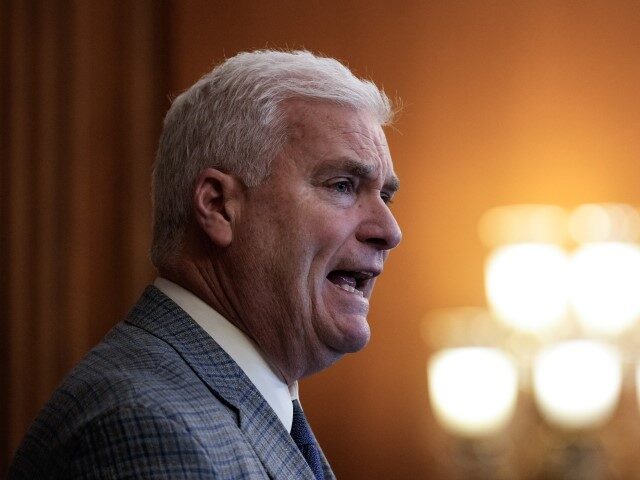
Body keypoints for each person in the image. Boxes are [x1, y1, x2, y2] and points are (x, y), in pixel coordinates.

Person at [8, 49, 402, 479]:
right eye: (343, 185)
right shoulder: (144, 425)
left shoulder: (229, 403)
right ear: (218, 205)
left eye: (384, 195)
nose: (390, 230)